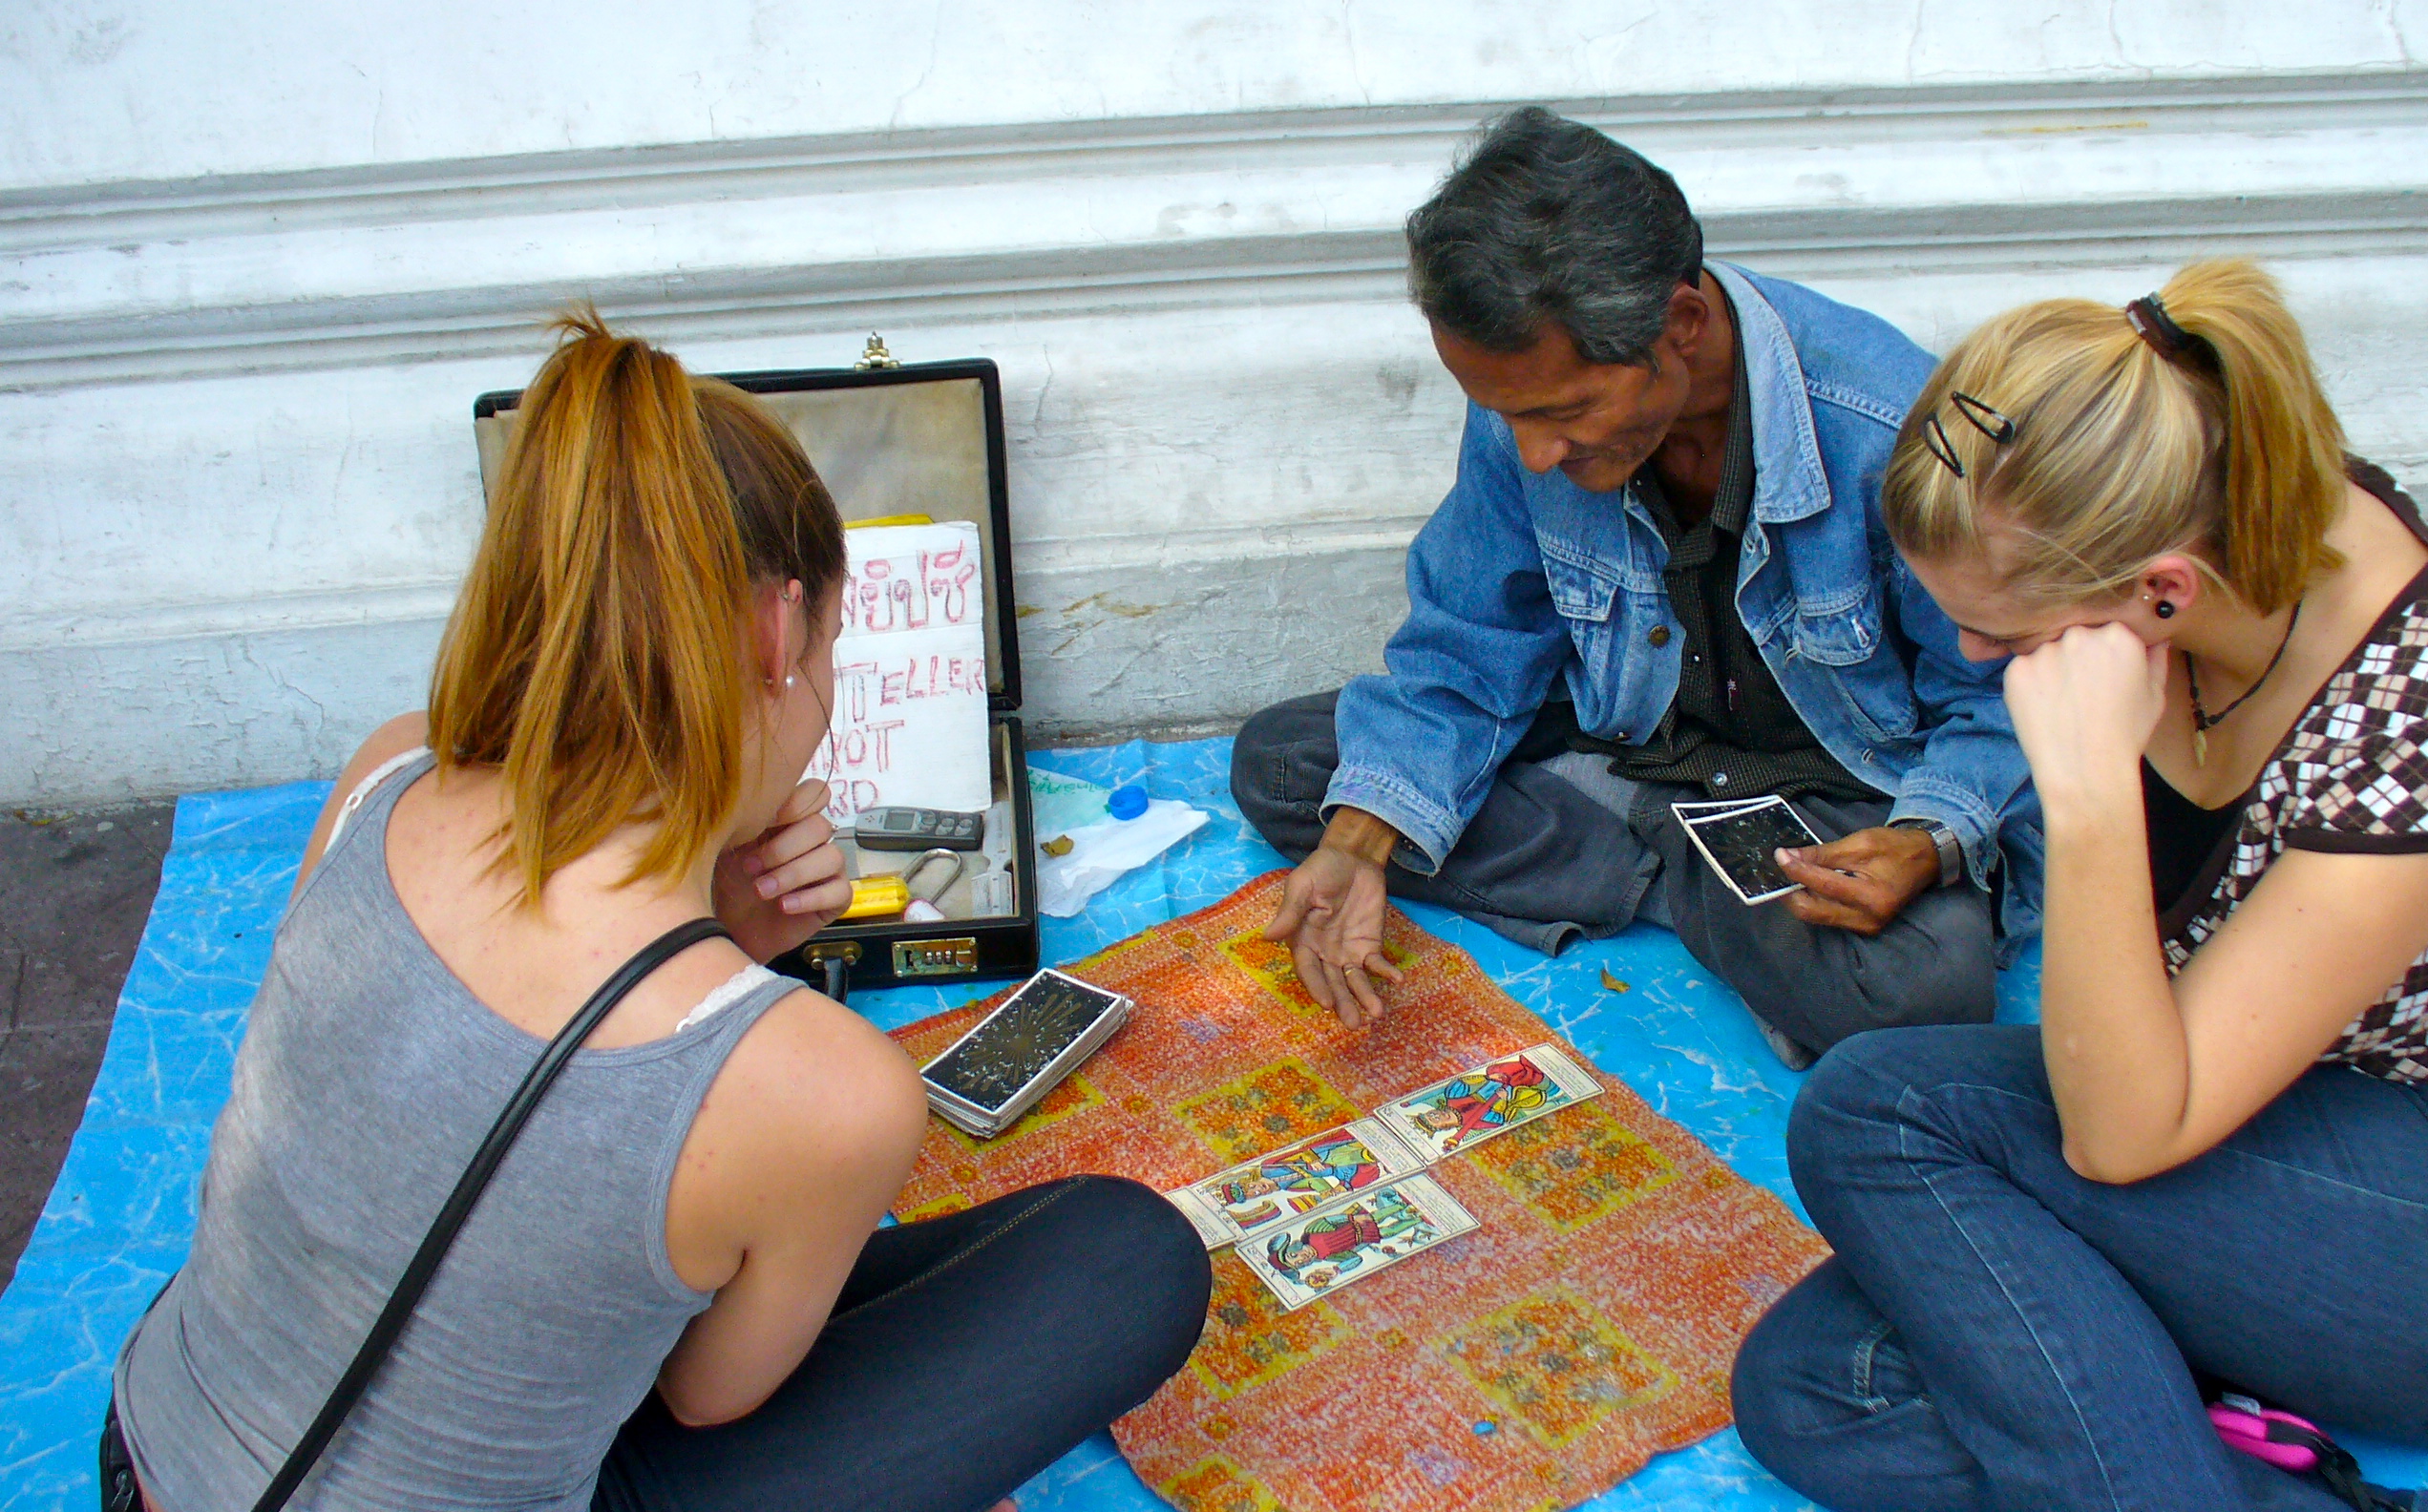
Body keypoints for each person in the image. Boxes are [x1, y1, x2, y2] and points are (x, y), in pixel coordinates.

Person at [103, 313, 1210, 1512]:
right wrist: (739, 998)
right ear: (777, 632)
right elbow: (700, 1394)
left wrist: (715, 945)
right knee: (1126, 1261)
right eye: (833, 645)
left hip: (151, 1450)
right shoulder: (825, 1090)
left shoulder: (392, 770)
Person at [1729, 261, 2428, 1512]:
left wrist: (2086, 803)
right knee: (1814, 1384)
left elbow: (2123, 1134)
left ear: (2162, 591)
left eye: (2004, 636)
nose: (1974, 658)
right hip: (2280, 1129)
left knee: (1877, 1112)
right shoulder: (2197, 533)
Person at [1231, 107, 2040, 1066]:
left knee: (1919, 992)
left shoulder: (1890, 430)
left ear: (1681, 326)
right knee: (1286, 765)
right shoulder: (1526, 410)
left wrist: (1926, 840)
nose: (1534, 452)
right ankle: (1692, 873)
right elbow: (1470, 641)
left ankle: (1633, 851)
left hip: (1829, 787)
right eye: (1506, 415)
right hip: (1621, 728)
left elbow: (2001, 696)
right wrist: (1363, 841)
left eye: (1565, 412)